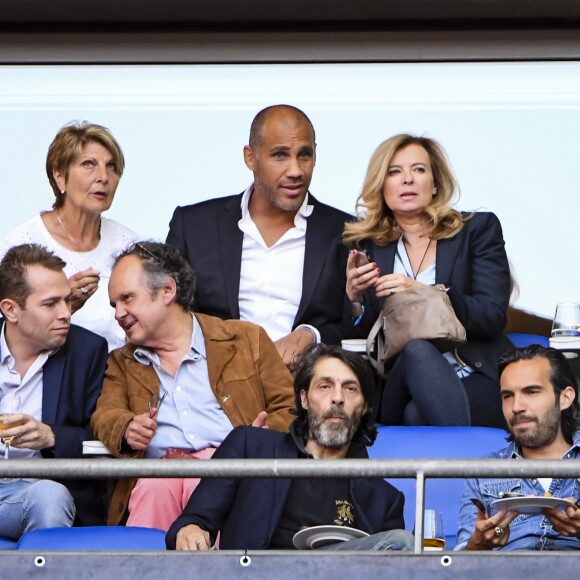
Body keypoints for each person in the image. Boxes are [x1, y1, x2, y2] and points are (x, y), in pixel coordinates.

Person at [91, 241, 295, 530]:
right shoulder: (122, 362)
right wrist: (126, 429)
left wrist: (261, 438)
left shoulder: (247, 340)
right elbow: (104, 416)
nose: (118, 313)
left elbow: (290, 408)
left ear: (167, 291)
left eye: (127, 299)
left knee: (211, 482)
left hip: (230, 470)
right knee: (156, 487)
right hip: (160, 475)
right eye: (115, 304)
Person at [166, 344, 414, 552]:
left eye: (350, 389)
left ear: (363, 407)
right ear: (304, 399)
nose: (337, 398)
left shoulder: (384, 498)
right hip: (255, 574)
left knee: (401, 545)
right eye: (325, 386)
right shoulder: (251, 448)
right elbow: (193, 519)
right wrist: (190, 530)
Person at [343, 134, 512, 427]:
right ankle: (469, 472)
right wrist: (356, 301)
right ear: (381, 186)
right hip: (398, 382)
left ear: (434, 184)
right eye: (394, 172)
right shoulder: (366, 246)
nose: (407, 179)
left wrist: (428, 293)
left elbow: (491, 317)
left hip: (470, 371)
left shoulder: (477, 230)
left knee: (417, 415)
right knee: (416, 351)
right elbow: (369, 346)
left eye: (418, 170)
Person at [166, 104, 351, 370]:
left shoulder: (344, 232)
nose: (296, 170)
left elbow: (360, 321)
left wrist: (312, 335)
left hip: (303, 388)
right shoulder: (194, 225)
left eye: (304, 155)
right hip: (211, 381)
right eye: (280, 155)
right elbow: (168, 310)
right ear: (250, 157)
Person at [0, 244, 109, 539]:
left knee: (48, 496)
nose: (66, 313)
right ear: (11, 310)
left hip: (41, 492)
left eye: (67, 300)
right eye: (50, 304)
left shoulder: (87, 352)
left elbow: (103, 444)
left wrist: (52, 437)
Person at [0, 121, 138, 350]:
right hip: (49, 376)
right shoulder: (23, 241)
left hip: (119, 374)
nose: (103, 177)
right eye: (88, 164)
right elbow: (7, 330)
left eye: (112, 166)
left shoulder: (128, 245)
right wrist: (63, 305)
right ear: (60, 177)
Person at [456, 345, 580, 551]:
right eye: (507, 396)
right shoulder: (483, 470)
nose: (516, 407)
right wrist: (478, 545)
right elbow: (457, 568)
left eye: (531, 392)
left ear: (565, 398)